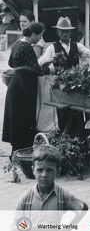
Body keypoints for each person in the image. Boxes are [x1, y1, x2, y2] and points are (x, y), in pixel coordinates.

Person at [11, 144, 88, 231]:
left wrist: (66, 230)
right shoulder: (26, 198)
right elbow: (13, 230)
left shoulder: (61, 195)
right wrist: (38, 227)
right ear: (33, 170)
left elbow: (83, 208)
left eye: (49, 170)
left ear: (58, 172)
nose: (44, 175)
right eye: (39, 170)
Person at [39, 16, 90, 132]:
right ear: (58, 32)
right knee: (64, 116)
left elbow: (89, 53)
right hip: (61, 88)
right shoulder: (52, 48)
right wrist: (51, 60)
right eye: (62, 31)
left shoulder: (77, 46)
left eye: (67, 31)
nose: (65, 34)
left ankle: (78, 139)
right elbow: (41, 64)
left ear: (71, 32)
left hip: (75, 86)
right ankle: (66, 138)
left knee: (77, 115)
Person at [2, 23, 52, 152]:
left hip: (15, 84)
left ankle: (16, 151)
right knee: (24, 118)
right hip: (24, 87)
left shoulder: (17, 44)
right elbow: (35, 70)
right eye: (40, 36)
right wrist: (48, 65)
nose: (40, 39)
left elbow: (10, 63)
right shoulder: (27, 47)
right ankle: (23, 151)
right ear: (34, 34)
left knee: (16, 118)